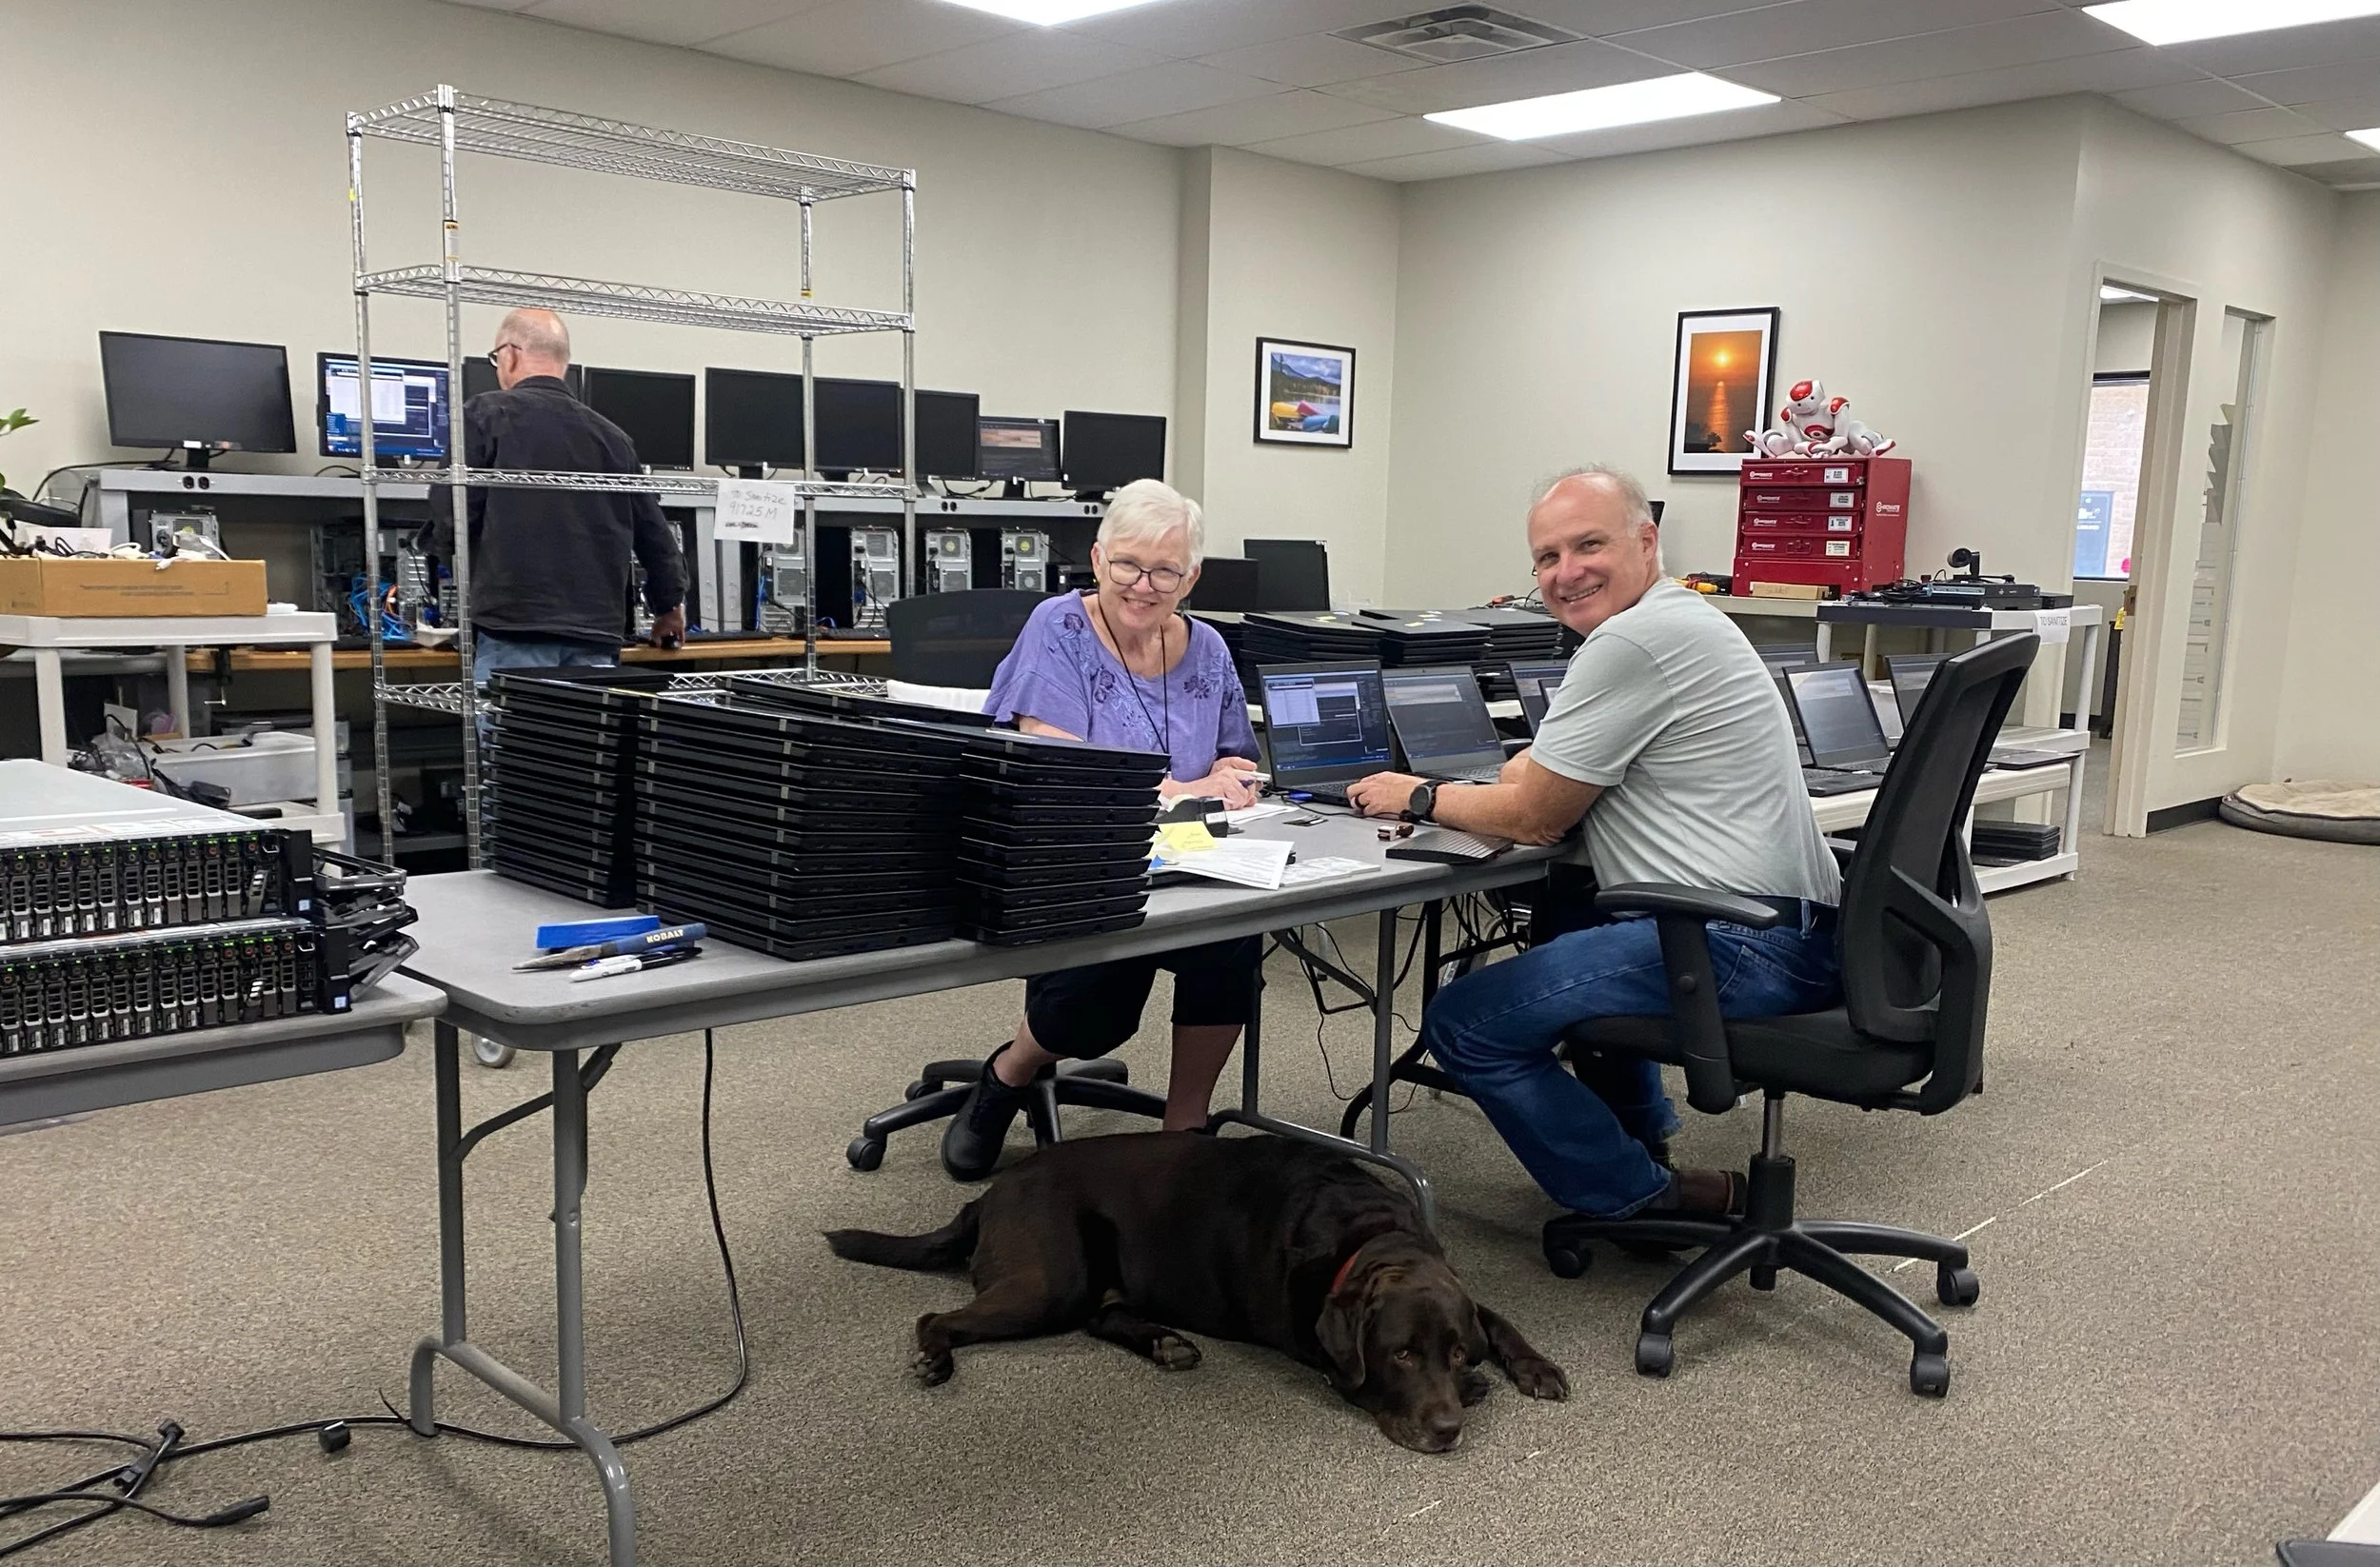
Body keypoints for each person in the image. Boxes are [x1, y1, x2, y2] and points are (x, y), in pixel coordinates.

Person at [1345, 465, 1842, 1221]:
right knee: (1572, 914)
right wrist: (1527, 782)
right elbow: (1535, 774)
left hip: (1738, 941)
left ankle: (1643, 1195)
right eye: (1546, 557)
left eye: (1588, 545)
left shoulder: (1632, 642)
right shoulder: (1684, 620)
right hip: (1789, 925)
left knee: (1463, 1022)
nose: (1566, 572)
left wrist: (1415, 794)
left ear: (1646, 542)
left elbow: (1535, 815)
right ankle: (1643, 1141)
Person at [940, 478, 1261, 1180]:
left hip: (1187, 857)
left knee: (1233, 939)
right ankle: (1010, 1070)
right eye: (1127, 565)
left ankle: (1185, 1127)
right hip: (1075, 859)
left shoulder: (1207, 647)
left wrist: (1230, 774)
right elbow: (1060, 768)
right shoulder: (1059, 627)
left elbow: (1236, 752)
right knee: (1100, 1006)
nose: (1143, 586)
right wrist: (1187, 788)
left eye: (1165, 571)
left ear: (1191, 578)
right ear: (1097, 559)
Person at [426, 307, 686, 686]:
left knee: (514, 725)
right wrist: (668, 607)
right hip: (596, 632)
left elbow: (451, 514)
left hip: (514, 627)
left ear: (509, 355)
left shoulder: (484, 415)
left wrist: (449, 572)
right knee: (586, 724)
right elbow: (654, 534)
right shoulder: (613, 438)